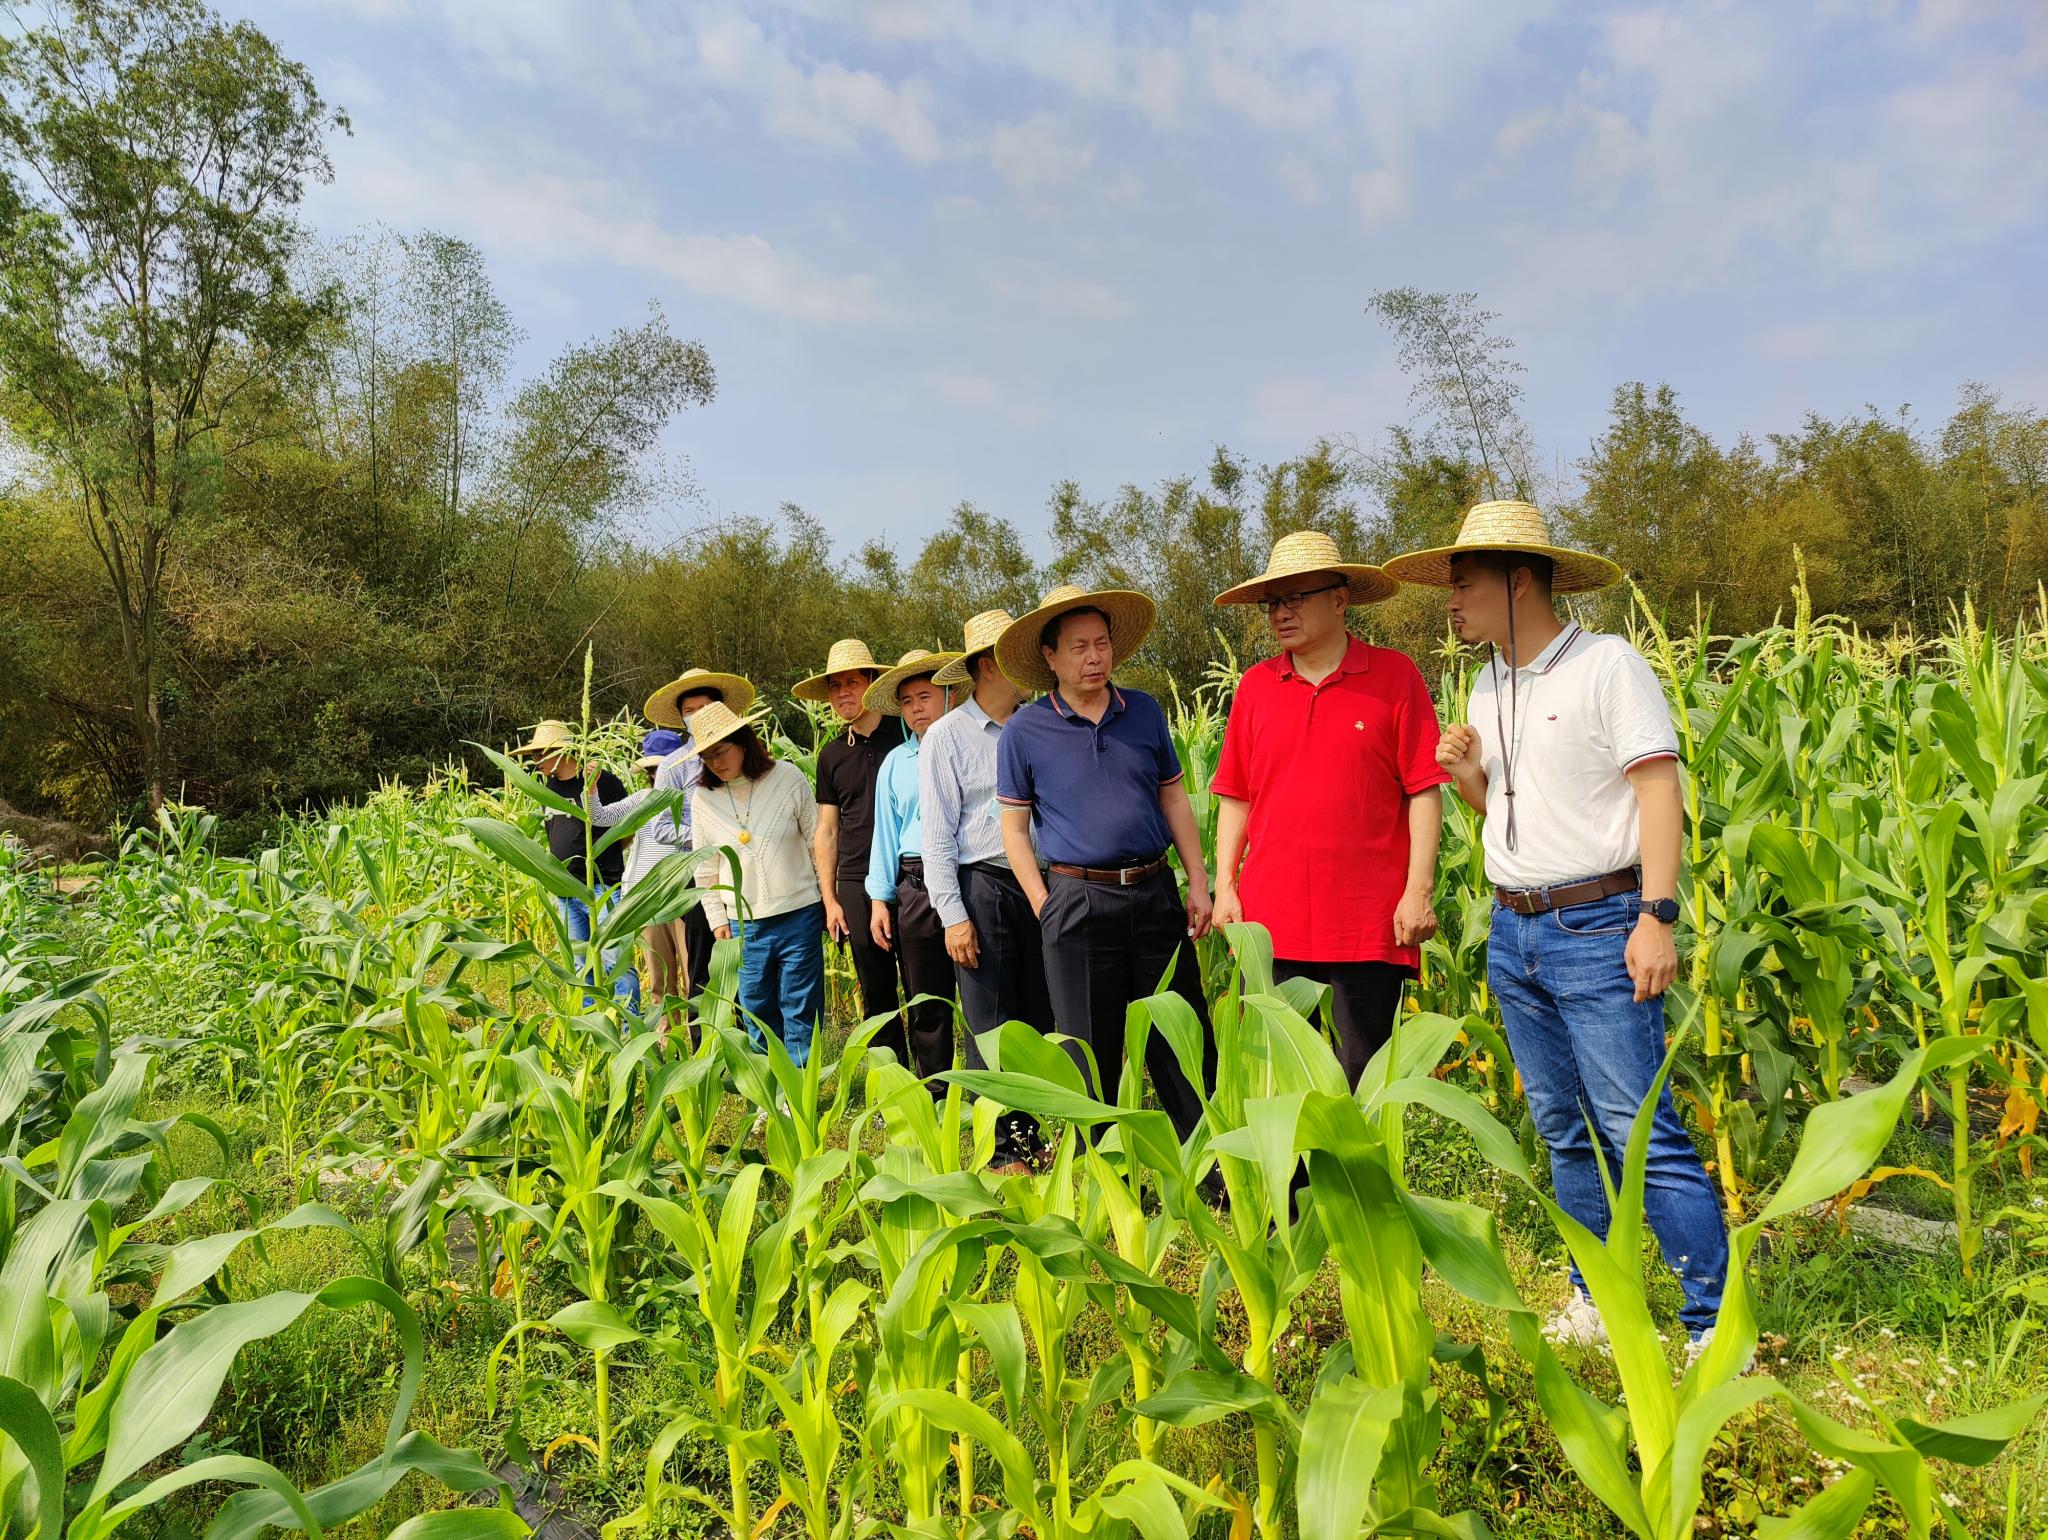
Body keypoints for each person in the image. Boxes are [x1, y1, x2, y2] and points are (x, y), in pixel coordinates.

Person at [1383, 498, 1729, 1360]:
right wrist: (1470, 775)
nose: (1450, 602)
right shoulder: (1488, 683)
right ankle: (1596, 1296)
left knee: (1637, 1128)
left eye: (1463, 584)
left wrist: (1656, 917)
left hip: (1599, 924)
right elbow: (1510, 814)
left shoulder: (1607, 666)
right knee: (1563, 1129)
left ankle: (1714, 1326)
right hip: (1516, 930)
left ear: (1520, 581)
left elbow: (1659, 791)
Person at [1209, 531, 1450, 1084]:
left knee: (1362, 1081)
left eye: (1295, 598)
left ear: (1340, 600)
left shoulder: (1394, 677)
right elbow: (1236, 795)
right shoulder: (1256, 687)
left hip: (1366, 924)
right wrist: (1225, 886)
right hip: (1271, 924)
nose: (1281, 613)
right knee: (1275, 1082)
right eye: (1273, 602)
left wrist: (1417, 891)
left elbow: (1423, 790)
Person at [993, 585, 1217, 1139]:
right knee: (1089, 1047)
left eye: (1102, 644)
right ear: (1050, 658)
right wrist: (1044, 903)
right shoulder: (1025, 730)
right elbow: (1014, 830)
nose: (1094, 657)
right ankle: (1105, 1165)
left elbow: (1173, 798)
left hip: (1154, 890)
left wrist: (1198, 881)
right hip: (1077, 900)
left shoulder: (1142, 711)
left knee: (1182, 1032)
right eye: (1079, 647)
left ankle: (1209, 1162)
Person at [924, 610, 1051, 1173]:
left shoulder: (1041, 724)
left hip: (1043, 884)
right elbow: (936, 837)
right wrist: (954, 916)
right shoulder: (947, 737)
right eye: (1014, 656)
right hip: (985, 886)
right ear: (987, 667)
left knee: (1042, 1013)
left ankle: (1038, 1133)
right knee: (991, 1021)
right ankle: (1001, 1149)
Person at [686, 701, 825, 1068]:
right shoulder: (703, 799)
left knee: (801, 1004)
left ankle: (802, 1085)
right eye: (706, 757)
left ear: (743, 743)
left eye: (721, 752)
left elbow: (816, 841)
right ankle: (767, 1083)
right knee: (756, 1008)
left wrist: (828, 897)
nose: (715, 763)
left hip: (799, 913)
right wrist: (717, 918)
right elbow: (706, 865)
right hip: (744, 924)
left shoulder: (788, 778)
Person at [794, 639, 906, 1033]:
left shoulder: (906, 736)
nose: (843, 693)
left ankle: (936, 1072)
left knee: (922, 985)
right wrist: (830, 899)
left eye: (852, 682)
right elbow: (827, 831)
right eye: (835, 685)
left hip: (911, 874)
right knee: (876, 992)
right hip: (856, 879)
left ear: (873, 682)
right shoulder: (832, 755)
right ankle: (888, 1069)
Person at [862, 648, 962, 1087]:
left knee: (982, 995)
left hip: (968, 877)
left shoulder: (969, 745)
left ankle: (990, 1095)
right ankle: (935, 1091)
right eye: (907, 701)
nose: (916, 708)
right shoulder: (895, 763)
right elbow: (884, 833)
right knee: (926, 998)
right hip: (916, 885)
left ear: (950, 697)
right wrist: (879, 900)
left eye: (925, 696)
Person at [641, 666, 756, 1025]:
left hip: (747, 869)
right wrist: (708, 837)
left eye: (703, 708)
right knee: (702, 964)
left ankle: (748, 1034)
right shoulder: (673, 767)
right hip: (698, 876)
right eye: (689, 711)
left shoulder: (741, 753)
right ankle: (705, 1039)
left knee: (747, 957)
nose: (696, 717)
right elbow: (661, 827)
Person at [510, 719, 641, 1012]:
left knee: (616, 962)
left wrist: (602, 857)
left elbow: (627, 829)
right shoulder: (548, 789)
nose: (535, 762)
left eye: (539, 754)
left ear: (559, 752)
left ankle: (629, 1027)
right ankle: (592, 1024)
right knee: (581, 966)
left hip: (603, 889)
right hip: (565, 891)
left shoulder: (602, 782)